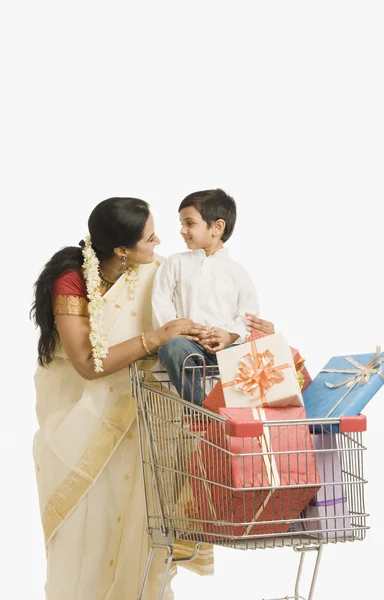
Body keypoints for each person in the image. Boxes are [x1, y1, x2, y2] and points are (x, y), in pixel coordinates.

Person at [31, 197, 213, 600]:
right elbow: (86, 364)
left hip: (142, 425)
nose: (159, 242)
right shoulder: (73, 280)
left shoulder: (154, 271)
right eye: (150, 238)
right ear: (121, 250)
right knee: (87, 535)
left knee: (140, 532)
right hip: (79, 424)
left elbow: (199, 317)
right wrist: (156, 337)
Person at [152, 189, 259, 405]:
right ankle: (200, 409)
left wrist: (229, 336)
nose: (182, 230)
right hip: (187, 347)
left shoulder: (237, 272)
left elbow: (248, 317)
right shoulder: (175, 263)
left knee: (253, 350)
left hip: (225, 350)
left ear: (217, 227)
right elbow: (161, 304)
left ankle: (234, 408)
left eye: (189, 223)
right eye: (181, 223)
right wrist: (180, 332)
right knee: (173, 348)